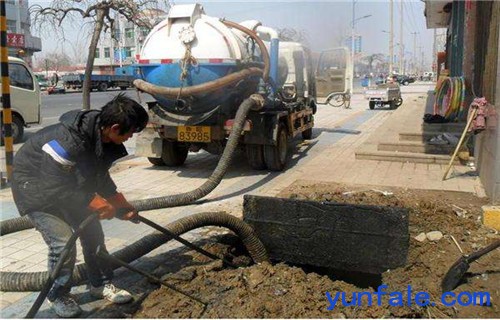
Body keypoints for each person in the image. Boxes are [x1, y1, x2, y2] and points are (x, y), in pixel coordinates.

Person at [11, 94, 149, 318]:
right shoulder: (68, 141)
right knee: (63, 242)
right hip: (34, 190)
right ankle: (58, 295)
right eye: (131, 132)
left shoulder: (99, 137)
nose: (132, 136)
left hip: (66, 187)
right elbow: (53, 186)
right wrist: (93, 202)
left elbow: (98, 176)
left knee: (93, 234)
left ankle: (99, 284)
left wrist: (118, 202)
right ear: (114, 128)